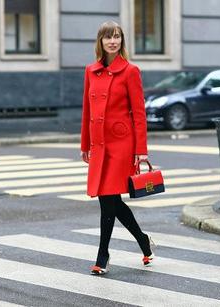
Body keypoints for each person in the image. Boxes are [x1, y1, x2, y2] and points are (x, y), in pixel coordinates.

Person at [80, 21, 155, 275]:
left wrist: (141, 149)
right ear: (100, 42)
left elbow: (139, 113)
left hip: (122, 146)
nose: (113, 41)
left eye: (117, 37)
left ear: (122, 41)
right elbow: (87, 111)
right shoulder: (91, 71)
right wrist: (84, 144)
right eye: (108, 37)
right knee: (111, 200)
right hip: (99, 145)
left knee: (108, 201)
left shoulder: (131, 71)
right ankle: (143, 241)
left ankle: (103, 255)